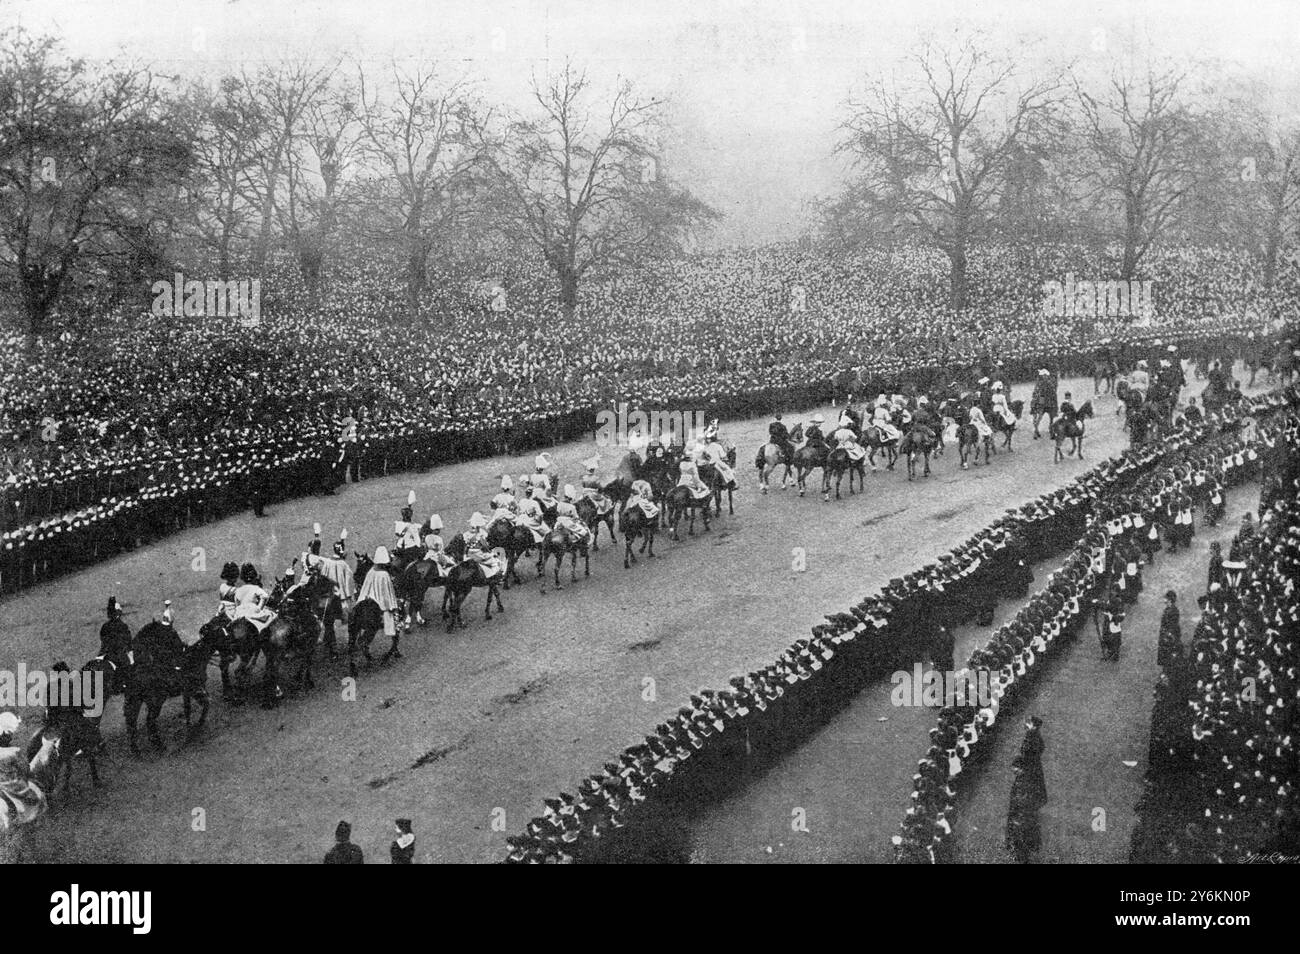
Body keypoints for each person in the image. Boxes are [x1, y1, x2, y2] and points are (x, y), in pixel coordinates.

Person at [357, 546, 400, 637]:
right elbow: (389, 592)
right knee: (395, 616)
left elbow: (365, 587)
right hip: (381, 602)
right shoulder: (384, 574)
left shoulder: (371, 571)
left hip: (368, 596)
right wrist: (392, 604)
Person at [1005, 757, 1042, 863]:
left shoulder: (1024, 782)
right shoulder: (1022, 779)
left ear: (1021, 768)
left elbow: (1024, 801)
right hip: (1020, 817)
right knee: (1020, 844)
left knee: (1021, 844)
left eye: (1016, 769)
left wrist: (1018, 818)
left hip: (1021, 819)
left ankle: (1023, 858)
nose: (1014, 771)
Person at [1157, 590, 1183, 670]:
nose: (1164, 599)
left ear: (1169, 600)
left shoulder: (1172, 611)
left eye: (1166, 598)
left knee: (1168, 655)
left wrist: (1167, 635)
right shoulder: (1169, 609)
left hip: (1169, 638)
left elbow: (1172, 626)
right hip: (1166, 635)